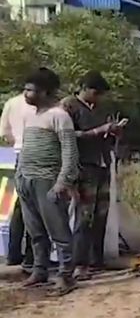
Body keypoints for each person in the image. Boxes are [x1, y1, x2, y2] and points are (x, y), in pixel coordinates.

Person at [16, 68, 81, 295]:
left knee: (59, 231)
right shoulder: (30, 115)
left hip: (48, 180)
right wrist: (20, 177)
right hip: (26, 180)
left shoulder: (60, 116)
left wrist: (62, 182)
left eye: (30, 90)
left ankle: (65, 275)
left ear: (44, 92)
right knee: (35, 231)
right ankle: (40, 270)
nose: (25, 94)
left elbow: (70, 153)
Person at [61, 71, 122, 280]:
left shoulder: (99, 109)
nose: (98, 97)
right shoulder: (68, 106)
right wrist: (98, 131)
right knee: (83, 217)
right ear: (84, 89)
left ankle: (97, 259)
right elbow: (66, 136)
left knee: (101, 214)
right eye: (95, 92)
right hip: (83, 167)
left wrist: (113, 132)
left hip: (102, 164)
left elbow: (104, 133)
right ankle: (80, 263)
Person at [0, 91, 38, 271]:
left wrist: (15, 143)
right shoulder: (42, 105)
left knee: (17, 205)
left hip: (15, 154)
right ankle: (31, 256)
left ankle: (13, 253)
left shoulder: (11, 103)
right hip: (35, 154)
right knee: (34, 205)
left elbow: (4, 131)